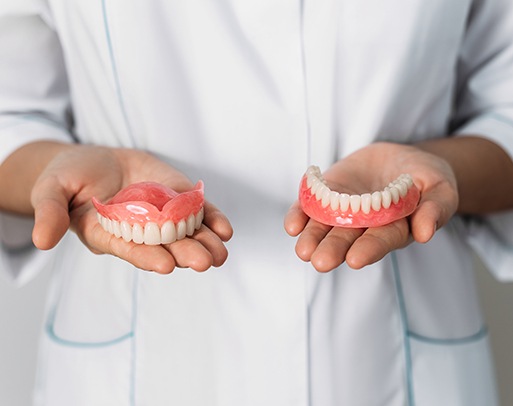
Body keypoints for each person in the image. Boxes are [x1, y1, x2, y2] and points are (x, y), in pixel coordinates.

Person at [1, 1, 513, 405]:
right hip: (137, 372)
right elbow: (11, 112)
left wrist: (443, 171)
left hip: (382, 366)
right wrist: (50, 169)